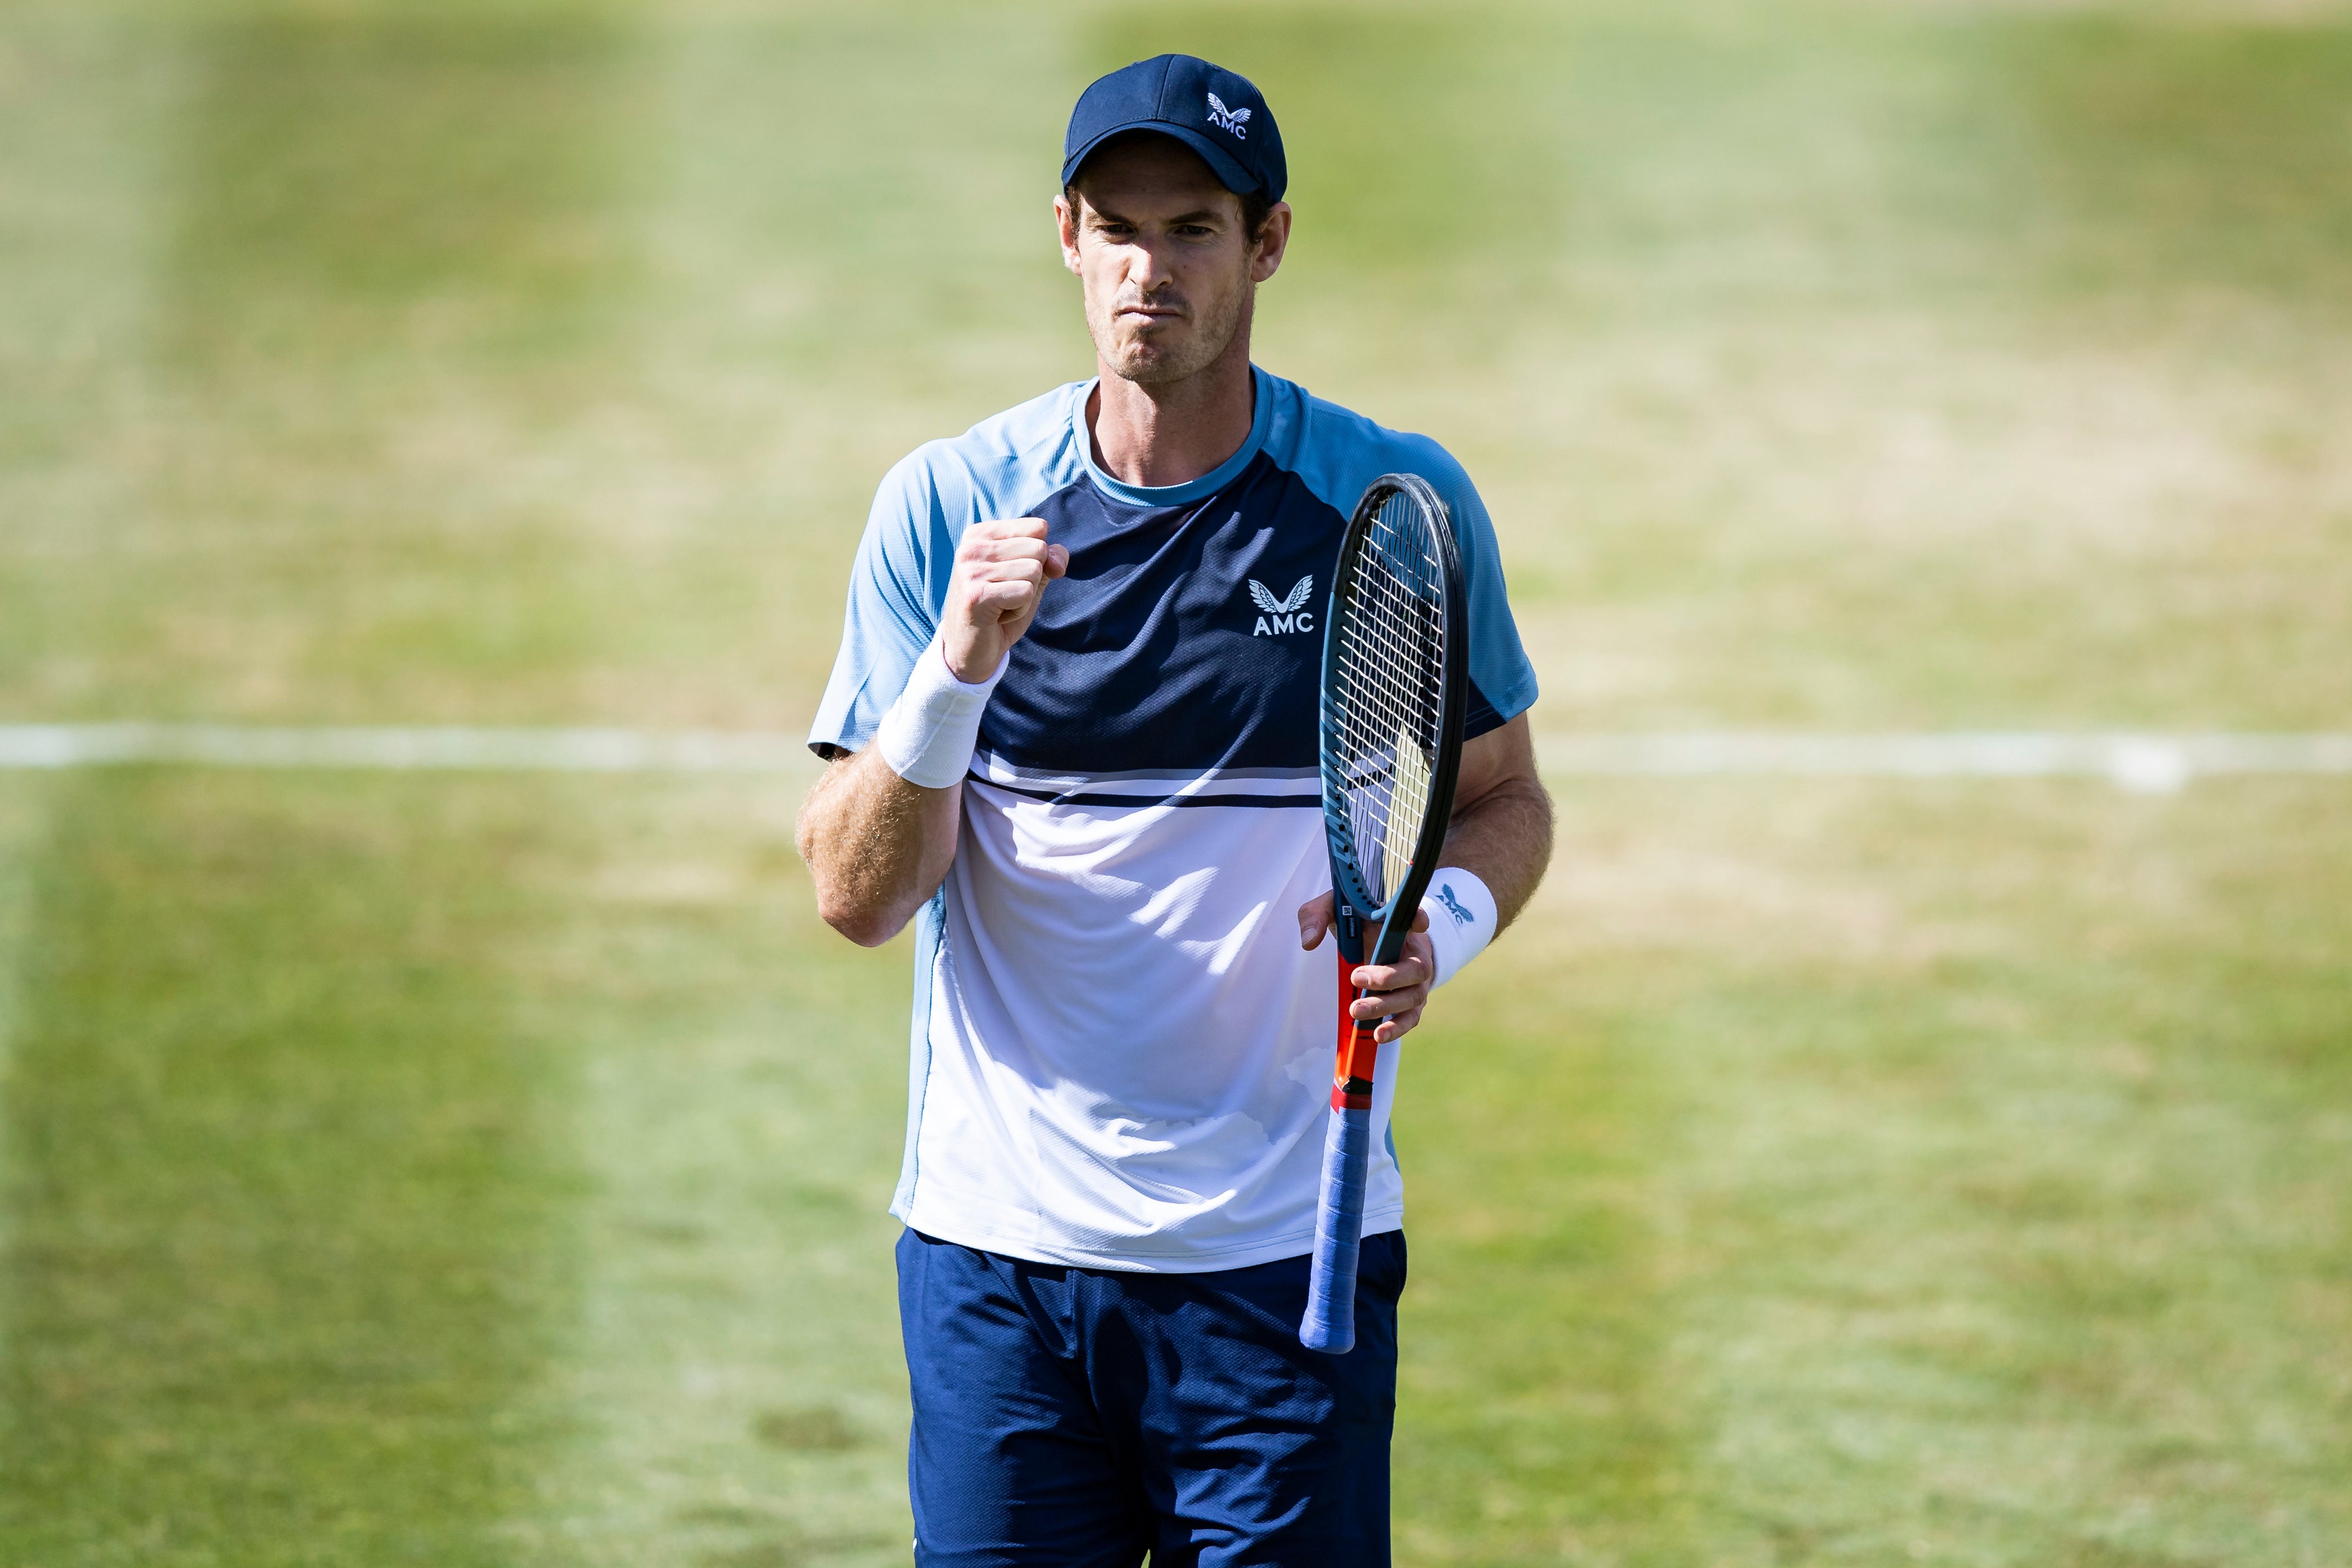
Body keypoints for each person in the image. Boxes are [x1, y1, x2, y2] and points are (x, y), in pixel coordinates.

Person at [796, 53, 1553, 1567]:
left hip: (1286, 1265)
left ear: (1266, 244)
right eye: (1120, 228)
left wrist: (1439, 935)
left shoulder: (1387, 503)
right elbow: (857, 896)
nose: (1153, 270)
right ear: (1067, 239)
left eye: (1194, 228)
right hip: (1000, 1268)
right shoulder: (950, 507)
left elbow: (1503, 804)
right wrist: (955, 669)